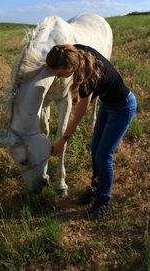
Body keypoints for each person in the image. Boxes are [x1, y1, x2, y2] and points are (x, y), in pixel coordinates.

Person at [46, 44, 137, 220]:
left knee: (104, 155)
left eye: (60, 72)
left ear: (72, 68)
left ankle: (103, 201)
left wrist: (62, 140)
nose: (56, 76)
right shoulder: (73, 52)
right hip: (108, 103)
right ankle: (96, 188)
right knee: (95, 148)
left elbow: (78, 115)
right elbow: (58, 57)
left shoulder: (89, 76)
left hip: (123, 107)